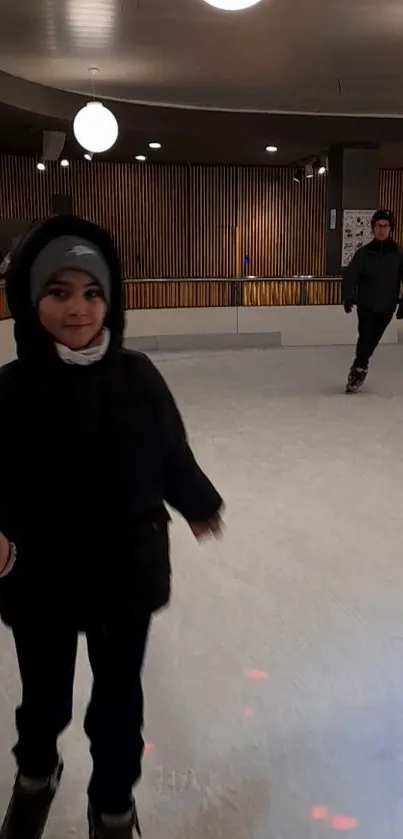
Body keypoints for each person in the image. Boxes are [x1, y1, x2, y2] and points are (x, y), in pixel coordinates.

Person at [0, 215, 224, 839]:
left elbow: (171, 452)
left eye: (92, 292)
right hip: (40, 577)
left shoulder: (137, 377)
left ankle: (113, 805)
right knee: (43, 701)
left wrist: (198, 501)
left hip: (125, 573)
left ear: (112, 299)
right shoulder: (13, 390)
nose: (78, 309)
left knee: (119, 702)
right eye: (59, 292)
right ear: (30, 300)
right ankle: (35, 776)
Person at [342, 209, 403, 393]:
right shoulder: (364, 253)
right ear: (372, 228)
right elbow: (351, 275)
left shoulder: (399, 254)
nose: (381, 229)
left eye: (385, 226)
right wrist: (348, 295)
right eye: (378, 226)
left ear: (391, 228)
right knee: (365, 336)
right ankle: (359, 369)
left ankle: (360, 366)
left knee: (372, 339)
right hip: (366, 304)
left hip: (387, 305)